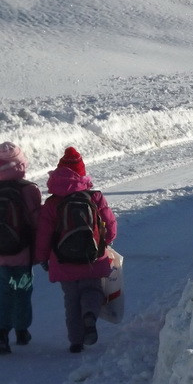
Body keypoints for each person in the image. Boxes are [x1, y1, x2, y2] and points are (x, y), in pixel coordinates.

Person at [35, 147, 117, 353]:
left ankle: (75, 341)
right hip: (93, 257)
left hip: (63, 261)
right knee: (92, 290)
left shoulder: (52, 203)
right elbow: (110, 222)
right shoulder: (94, 197)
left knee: (71, 300)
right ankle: (90, 315)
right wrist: (107, 240)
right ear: (82, 174)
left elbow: (43, 234)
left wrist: (43, 257)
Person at [0, 142, 42, 355]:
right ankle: (22, 331)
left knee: (1, 291)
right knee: (22, 290)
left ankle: (1, 333)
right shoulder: (29, 190)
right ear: (20, 164)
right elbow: (37, 222)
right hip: (22, 252)